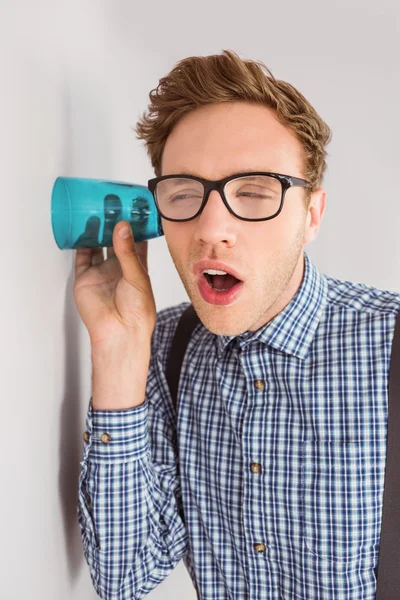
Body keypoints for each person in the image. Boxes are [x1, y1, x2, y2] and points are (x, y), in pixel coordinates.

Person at [74, 49, 400, 600]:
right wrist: (119, 350)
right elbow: (124, 575)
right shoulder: (165, 349)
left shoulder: (389, 344)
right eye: (183, 193)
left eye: (253, 192)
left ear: (311, 215)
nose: (212, 229)